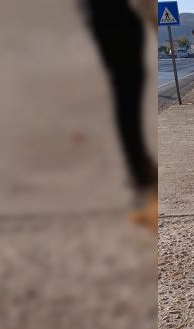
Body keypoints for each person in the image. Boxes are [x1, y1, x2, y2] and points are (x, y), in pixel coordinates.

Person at [81, 0, 158, 229]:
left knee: (125, 100)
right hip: (117, 22)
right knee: (128, 100)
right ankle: (139, 176)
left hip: (102, 20)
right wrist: (152, 20)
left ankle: (138, 170)